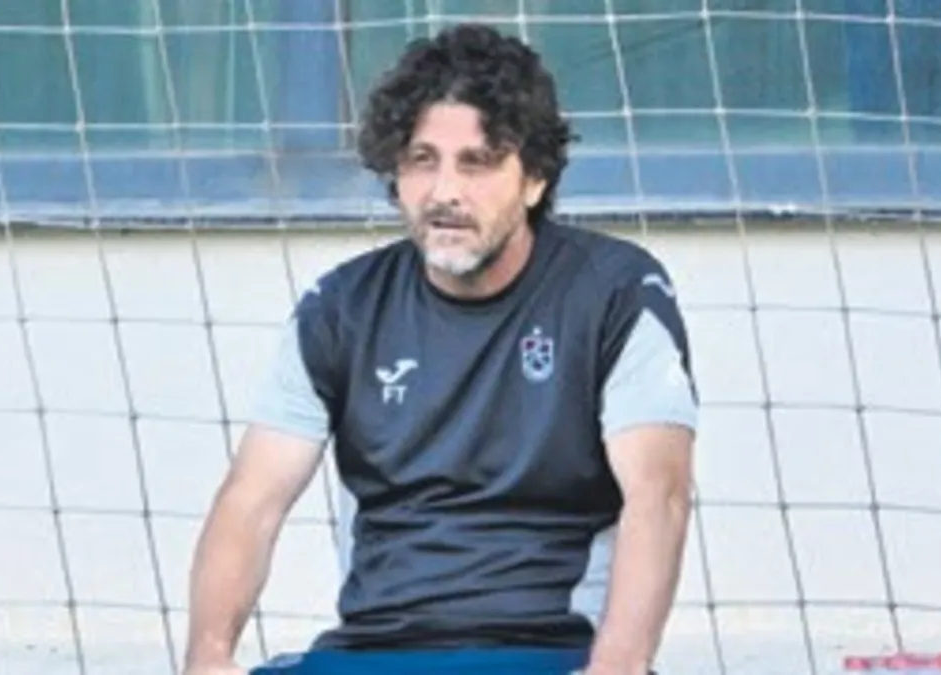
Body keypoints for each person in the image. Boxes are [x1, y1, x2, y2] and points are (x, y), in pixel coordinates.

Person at [182, 22, 698, 675]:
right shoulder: (340, 307)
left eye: (476, 163)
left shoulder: (617, 291)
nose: (445, 191)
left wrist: (617, 665)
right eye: (423, 160)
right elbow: (252, 499)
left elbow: (660, 492)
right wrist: (207, 657)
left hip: (544, 649)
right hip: (376, 652)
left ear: (534, 179)